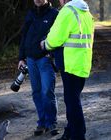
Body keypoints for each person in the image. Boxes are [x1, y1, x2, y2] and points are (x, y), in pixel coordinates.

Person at [41, 0, 95, 140]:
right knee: (72, 99)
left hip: (70, 64)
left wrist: (45, 44)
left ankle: (78, 135)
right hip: (82, 63)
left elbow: (56, 38)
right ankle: (70, 132)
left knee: (72, 102)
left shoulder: (67, 11)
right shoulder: (86, 12)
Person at [18, 0, 59, 136]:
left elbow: (60, 37)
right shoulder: (30, 13)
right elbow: (24, 36)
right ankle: (42, 122)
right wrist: (21, 58)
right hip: (30, 59)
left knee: (47, 91)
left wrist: (51, 54)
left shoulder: (54, 14)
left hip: (45, 60)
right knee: (36, 92)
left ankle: (51, 123)